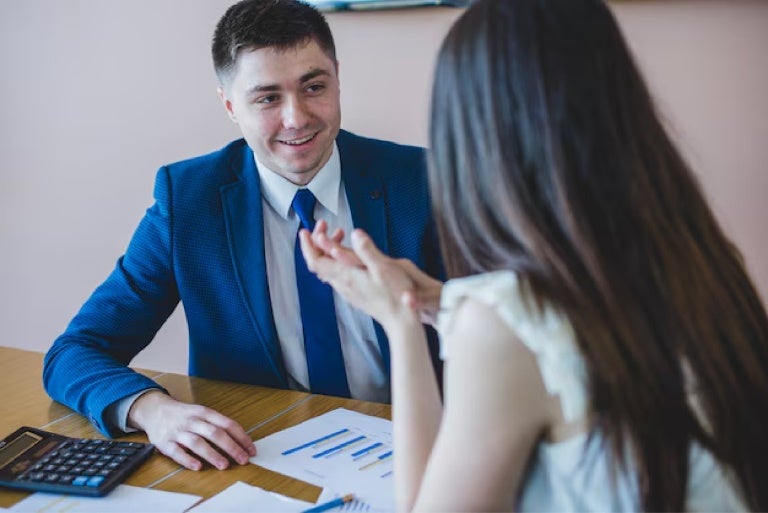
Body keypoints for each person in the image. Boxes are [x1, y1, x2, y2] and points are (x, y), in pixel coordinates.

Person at [299, 0, 768, 510]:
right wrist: (444, 301)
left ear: (475, 139)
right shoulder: (704, 259)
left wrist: (401, 323)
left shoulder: (503, 324)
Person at [42, 0, 441, 473]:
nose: (296, 118)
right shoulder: (188, 202)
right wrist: (153, 410)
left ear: (337, 79)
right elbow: (74, 352)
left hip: (420, 451)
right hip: (259, 458)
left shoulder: (426, 180)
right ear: (231, 106)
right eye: (267, 98)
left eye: (314, 87)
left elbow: (513, 316)